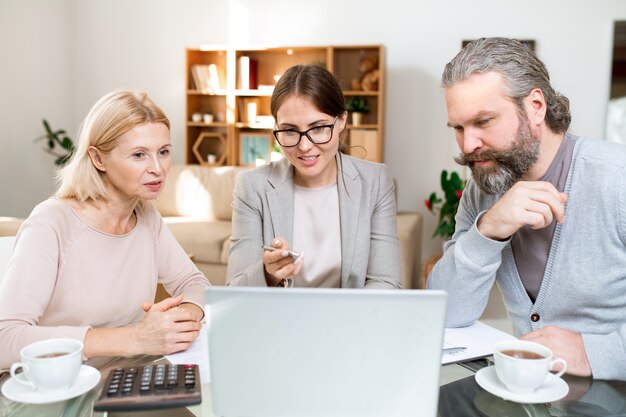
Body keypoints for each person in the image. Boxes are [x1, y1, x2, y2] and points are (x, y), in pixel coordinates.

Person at [427, 37, 626, 380]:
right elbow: (446, 311)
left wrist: (593, 352)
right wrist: (488, 229)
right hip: (529, 394)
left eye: (484, 121)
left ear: (535, 106)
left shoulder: (616, 178)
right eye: (458, 128)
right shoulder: (481, 189)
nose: (468, 144)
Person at [0, 90, 209, 369]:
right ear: (98, 159)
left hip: (123, 379)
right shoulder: (51, 222)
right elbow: (6, 338)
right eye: (139, 155)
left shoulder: (146, 217)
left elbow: (194, 284)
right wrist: (134, 338)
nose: (158, 168)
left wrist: (182, 318)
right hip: (60, 387)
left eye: (164, 152)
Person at [226, 64, 402, 288]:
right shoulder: (252, 186)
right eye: (290, 131)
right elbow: (234, 289)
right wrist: (268, 274)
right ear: (276, 127)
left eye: (318, 128)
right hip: (280, 321)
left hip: (350, 320)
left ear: (341, 121)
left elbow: (386, 282)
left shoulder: (375, 181)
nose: (305, 146)